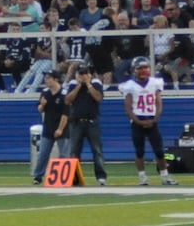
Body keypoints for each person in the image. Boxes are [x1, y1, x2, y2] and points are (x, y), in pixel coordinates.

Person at [120, 56, 177, 185]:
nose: (143, 70)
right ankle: (142, 177)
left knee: (159, 150)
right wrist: (138, 121)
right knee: (139, 151)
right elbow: (128, 108)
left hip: (152, 119)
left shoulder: (154, 83)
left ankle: (165, 176)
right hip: (137, 120)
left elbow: (159, 103)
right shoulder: (129, 86)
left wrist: (155, 119)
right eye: (140, 68)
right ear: (134, 70)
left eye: (145, 67)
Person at [63, 62, 108, 185]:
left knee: (97, 150)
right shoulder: (73, 84)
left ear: (90, 74)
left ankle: (101, 177)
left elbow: (98, 98)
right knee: (74, 151)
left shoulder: (96, 83)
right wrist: (78, 85)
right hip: (76, 122)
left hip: (92, 121)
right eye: (81, 73)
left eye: (85, 73)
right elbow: (67, 100)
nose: (83, 76)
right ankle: (74, 177)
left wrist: (88, 84)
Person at [32, 68, 69, 183]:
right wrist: (42, 105)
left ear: (55, 79)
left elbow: (65, 113)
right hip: (48, 127)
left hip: (61, 128)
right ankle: (38, 175)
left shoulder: (64, 94)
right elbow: (39, 109)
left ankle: (65, 176)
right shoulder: (45, 93)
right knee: (43, 153)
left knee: (65, 154)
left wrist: (60, 129)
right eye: (45, 78)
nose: (46, 80)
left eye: (48, 78)